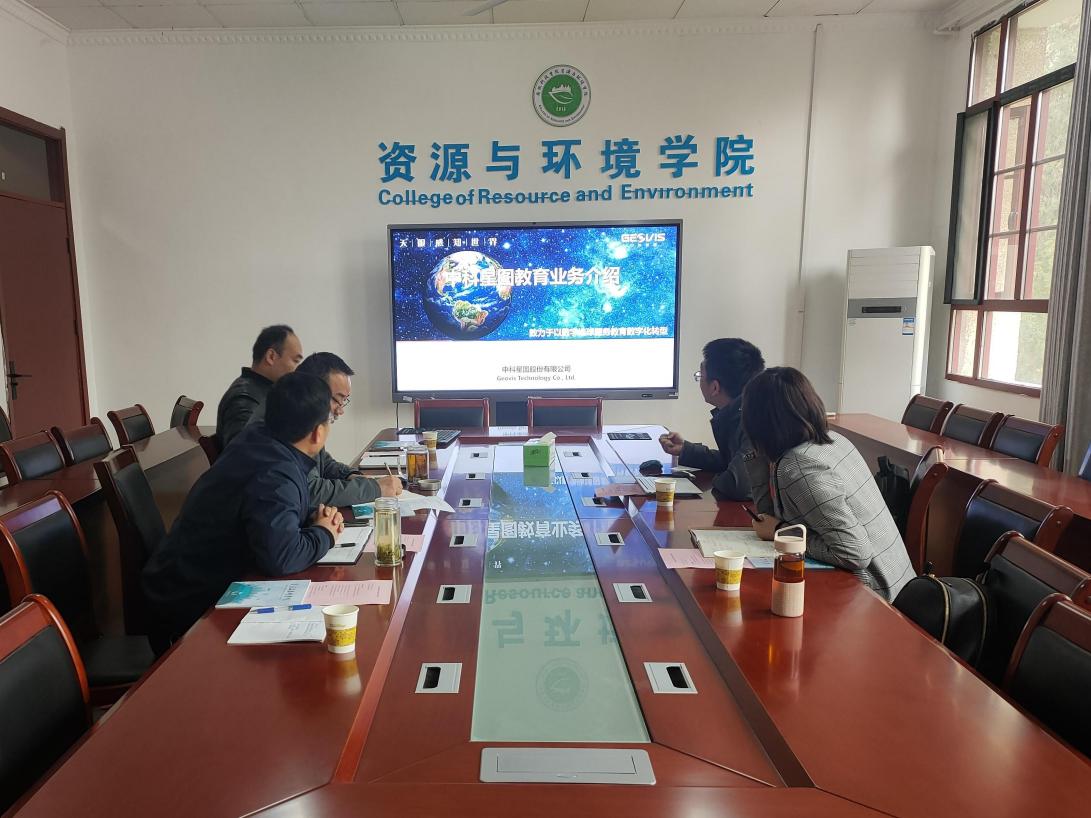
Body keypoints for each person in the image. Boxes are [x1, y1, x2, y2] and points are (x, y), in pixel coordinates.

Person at [143, 371, 342, 654]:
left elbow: (268, 512)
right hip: (191, 608)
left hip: (185, 585)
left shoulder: (260, 440)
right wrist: (324, 533)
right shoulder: (275, 471)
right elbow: (282, 558)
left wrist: (312, 518)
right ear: (318, 433)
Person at [741, 367, 913, 602]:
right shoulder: (833, 442)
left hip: (876, 597)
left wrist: (781, 532)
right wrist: (759, 456)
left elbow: (853, 553)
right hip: (898, 586)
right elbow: (767, 516)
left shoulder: (799, 466)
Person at [250, 352, 402, 505]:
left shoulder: (302, 414)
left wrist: (352, 475)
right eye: (338, 399)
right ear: (314, 390)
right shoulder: (282, 421)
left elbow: (324, 463)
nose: (340, 410)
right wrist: (375, 489)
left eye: (344, 400)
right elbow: (309, 491)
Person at [659, 338, 765, 501]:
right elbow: (731, 460)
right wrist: (685, 450)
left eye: (700, 375)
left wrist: (704, 482)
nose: (699, 380)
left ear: (715, 387)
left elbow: (738, 485)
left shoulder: (756, 420)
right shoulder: (744, 409)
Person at [215, 324, 304, 448]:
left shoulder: (264, 393)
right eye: (295, 361)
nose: (298, 371)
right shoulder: (245, 399)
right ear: (271, 357)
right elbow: (244, 454)